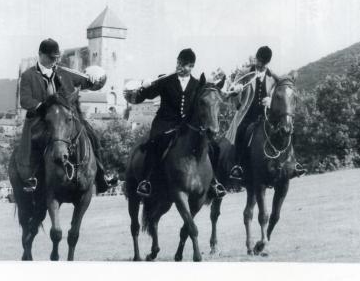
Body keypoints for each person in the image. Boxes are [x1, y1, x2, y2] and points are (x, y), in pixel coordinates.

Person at [17, 38, 115, 193]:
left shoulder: (64, 71)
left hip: (68, 118)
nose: (54, 61)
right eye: (51, 58)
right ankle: (33, 177)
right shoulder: (28, 75)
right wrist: (42, 106)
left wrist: (93, 80)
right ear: (40, 55)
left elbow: (85, 81)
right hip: (42, 118)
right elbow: (24, 100)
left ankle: (102, 175)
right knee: (35, 141)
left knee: (92, 135)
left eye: (56, 58)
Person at [125, 48, 226, 198]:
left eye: (184, 64)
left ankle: (213, 182)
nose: (180, 66)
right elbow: (143, 97)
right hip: (164, 123)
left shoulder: (197, 84)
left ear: (191, 66)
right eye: (179, 62)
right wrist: (143, 87)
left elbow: (212, 97)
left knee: (213, 148)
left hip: (187, 126)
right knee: (155, 144)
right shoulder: (165, 80)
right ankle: (146, 181)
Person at [226, 46, 306, 180]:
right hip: (247, 112)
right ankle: (238, 166)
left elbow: (279, 92)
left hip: (266, 114)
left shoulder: (273, 76)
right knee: (241, 131)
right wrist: (237, 90)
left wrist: (270, 100)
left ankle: (293, 162)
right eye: (258, 61)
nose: (260, 64)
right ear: (256, 58)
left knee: (289, 128)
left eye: (263, 63)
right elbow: (232, 89)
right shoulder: (245, 72)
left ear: (267, 63)